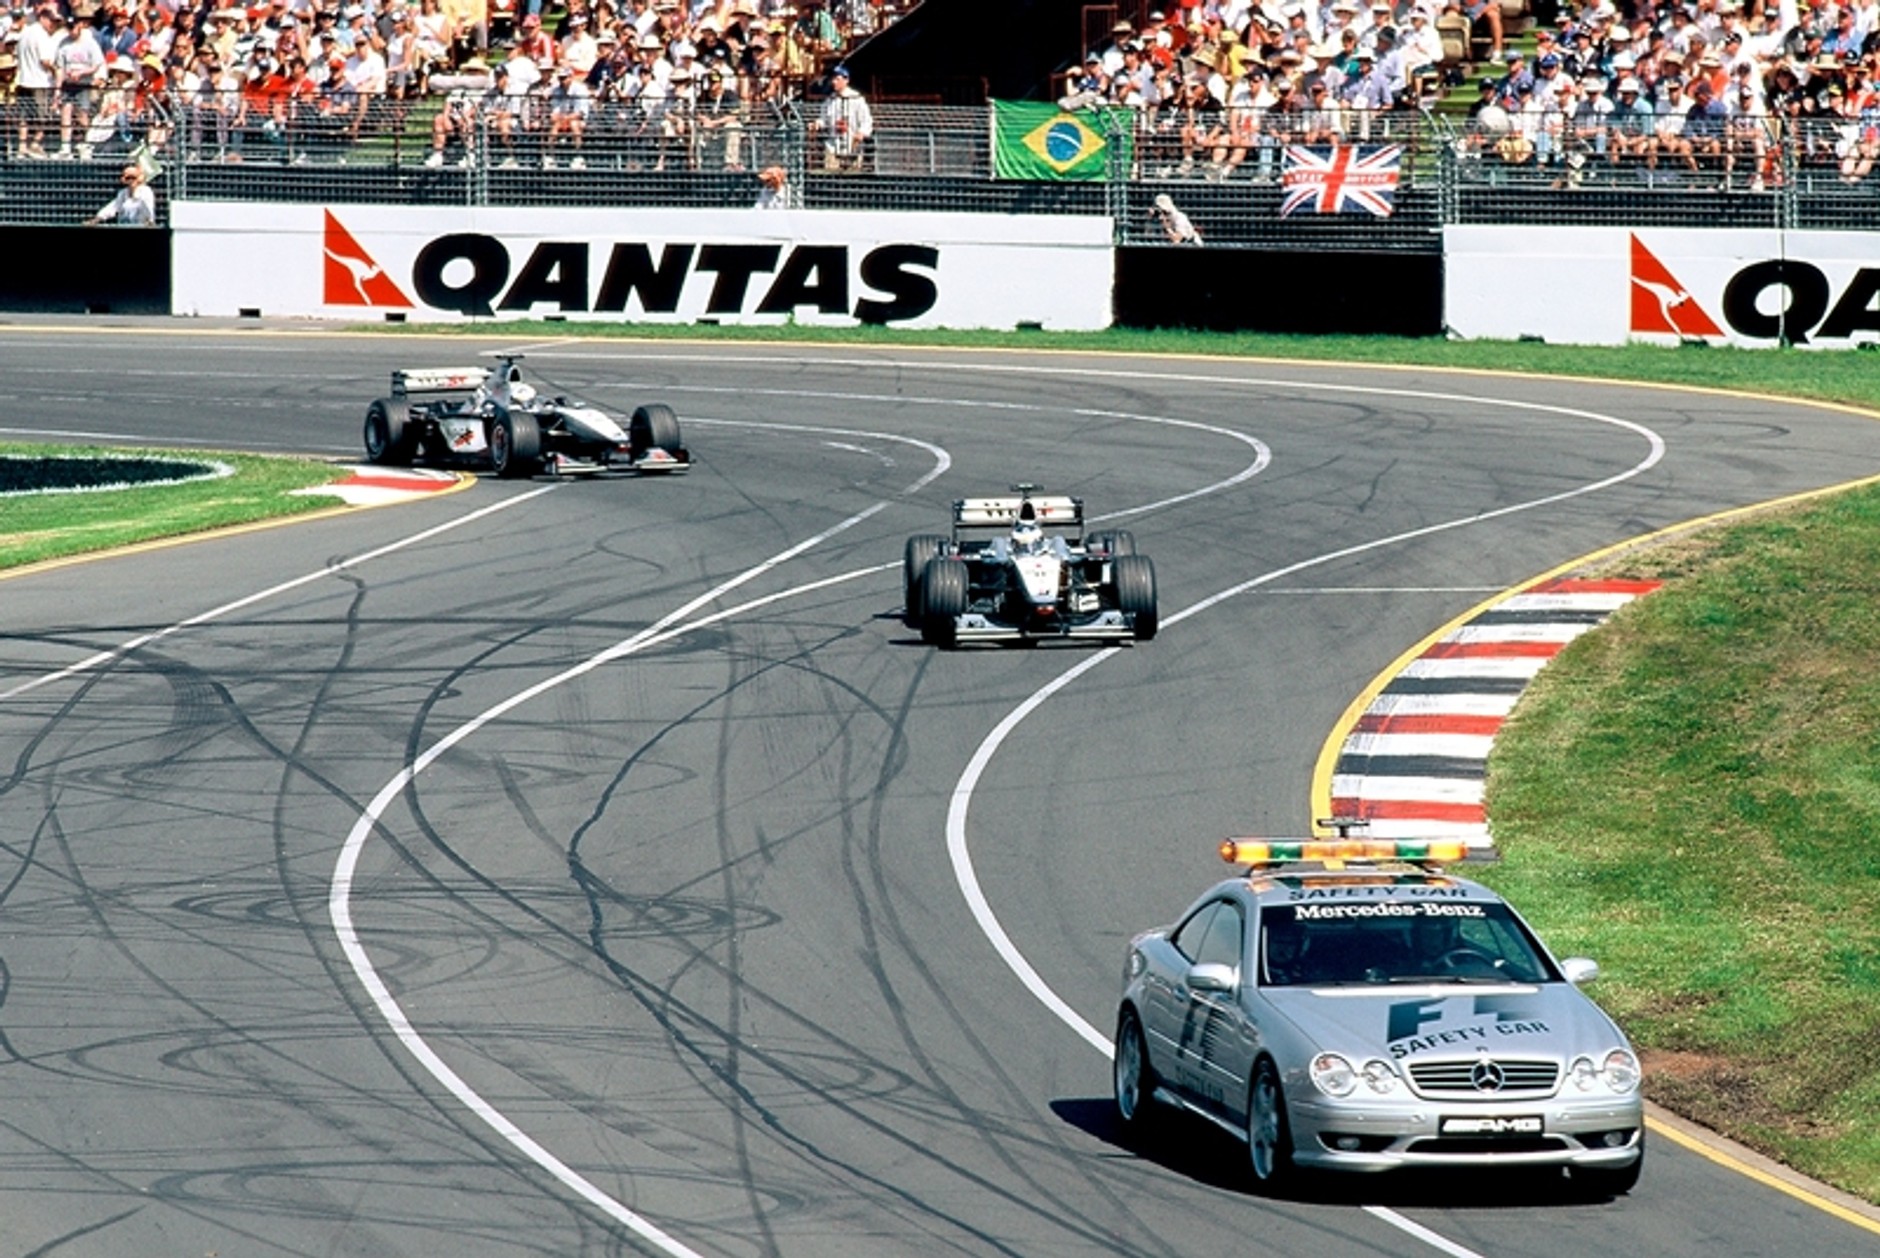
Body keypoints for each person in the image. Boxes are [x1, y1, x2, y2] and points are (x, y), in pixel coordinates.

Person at [816, 61, 870, 171]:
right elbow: (824, 119)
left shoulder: (857, 99)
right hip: (833, 147)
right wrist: (818, 123)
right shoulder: (829, 100)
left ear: (846, 80)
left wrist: (861, 133)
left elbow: (866, 121)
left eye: (837, 79)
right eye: (833, 79)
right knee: (831, 177)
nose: (834, 82)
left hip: (853, 148)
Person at [88, 162, 156, 225]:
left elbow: (148, 207)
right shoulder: (123, 193)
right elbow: (112, 207)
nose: (131, 181)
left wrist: (149, 220)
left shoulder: (146, 191)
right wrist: (97, 219)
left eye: (133, 178)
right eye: (128, 178)